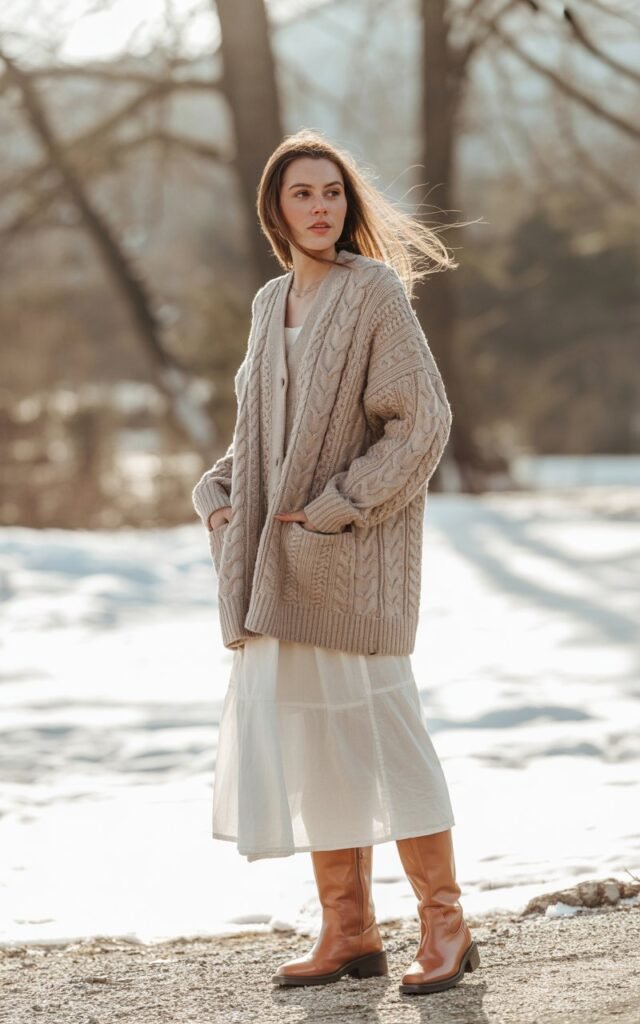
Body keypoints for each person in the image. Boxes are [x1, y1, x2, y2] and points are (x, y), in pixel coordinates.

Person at [191, 128, 479, 995]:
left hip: (348, 563)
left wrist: (343, 506)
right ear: (275, 211)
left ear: (347, 206)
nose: (320, 208)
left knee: (390, 742)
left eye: (331, 193)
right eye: (301, 195)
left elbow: (421, 422)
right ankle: (349, 930)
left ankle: (447, 924)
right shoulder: (268, 301)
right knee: (317, 749)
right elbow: (262, 433)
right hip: (275, 573)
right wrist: (220, 489)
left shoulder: (375, 293)